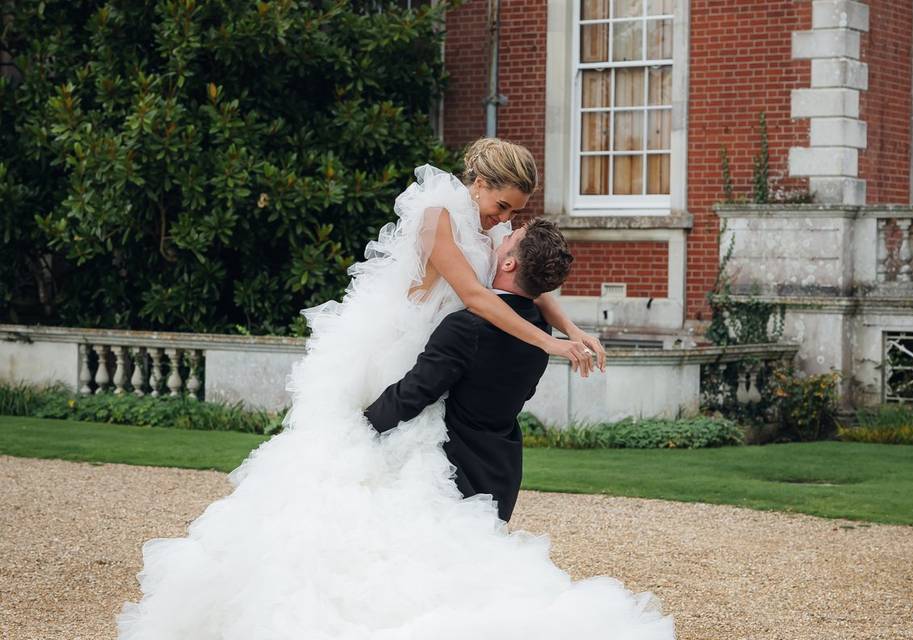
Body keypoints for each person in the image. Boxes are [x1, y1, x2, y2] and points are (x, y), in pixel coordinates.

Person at [116, 138, 674, 639]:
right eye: (502, 205)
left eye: (514, 213)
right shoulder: (438, 219)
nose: (506, 219)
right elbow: (480, 297)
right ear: (478, 183)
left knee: (415, 478)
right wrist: (549, 346)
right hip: (412, 341)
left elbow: (526, 281)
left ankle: (410, 580)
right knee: (368, 458)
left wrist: (574, 329)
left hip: (455, 345)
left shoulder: (494, 227)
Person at [365, 218, 572, 522]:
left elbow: (415, 392)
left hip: (453, 475)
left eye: (509, 238)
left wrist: (362, 427)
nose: (499, 239)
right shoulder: (541, 328)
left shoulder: (467, 327)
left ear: (510, 264)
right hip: (501, 472)